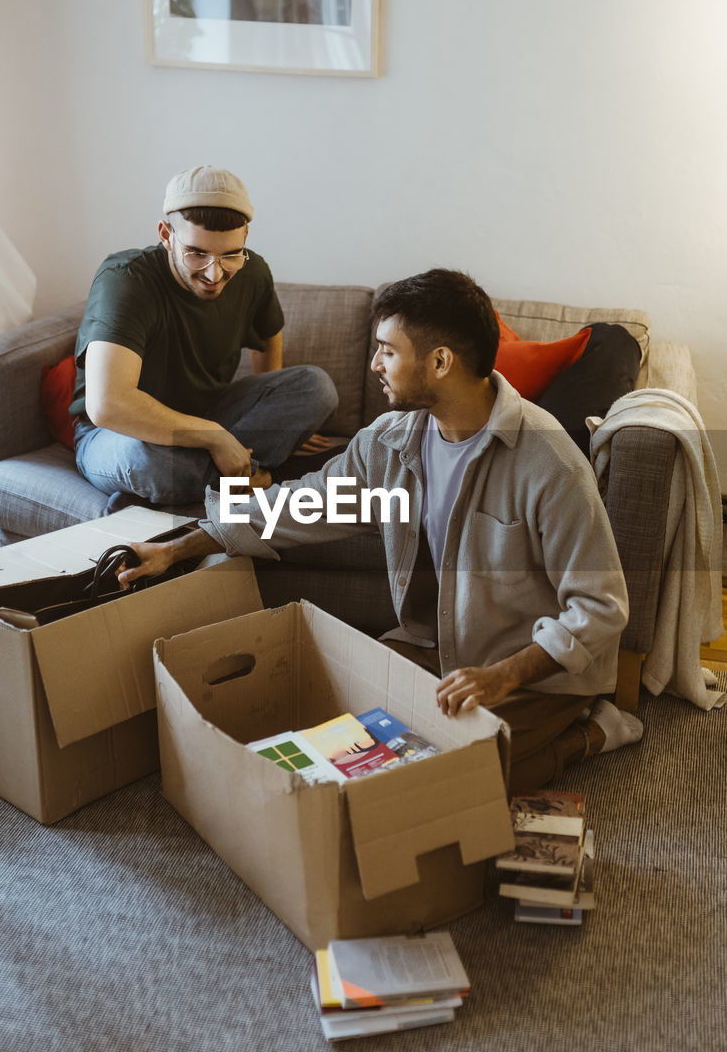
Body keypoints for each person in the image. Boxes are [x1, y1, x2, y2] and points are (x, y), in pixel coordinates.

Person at [116, 268, 644, 793]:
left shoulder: (549, 461)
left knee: (456, 783)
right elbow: (303, 504)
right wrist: (180, 545)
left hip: (536, 676)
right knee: (354, 754)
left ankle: (593, 732)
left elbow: (600, 606)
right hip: (431, 648)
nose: (374, 365)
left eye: (387, 350)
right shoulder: (390, 441)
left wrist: (501, 676)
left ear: (440, 362)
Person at [70, 165, 338, 509]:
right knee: (145, 463)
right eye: (197, 253)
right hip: (116, 435)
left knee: (316, 386)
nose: (215, 273)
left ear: (245, 238)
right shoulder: (125, 279)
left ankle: (172, 495)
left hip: (210, 413)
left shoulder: (253, 270)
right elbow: (108, 406)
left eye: (230, 254)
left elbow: (269, 336)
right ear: (166, 234)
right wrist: (215, 438)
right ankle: (269, 479)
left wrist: (279, 421)